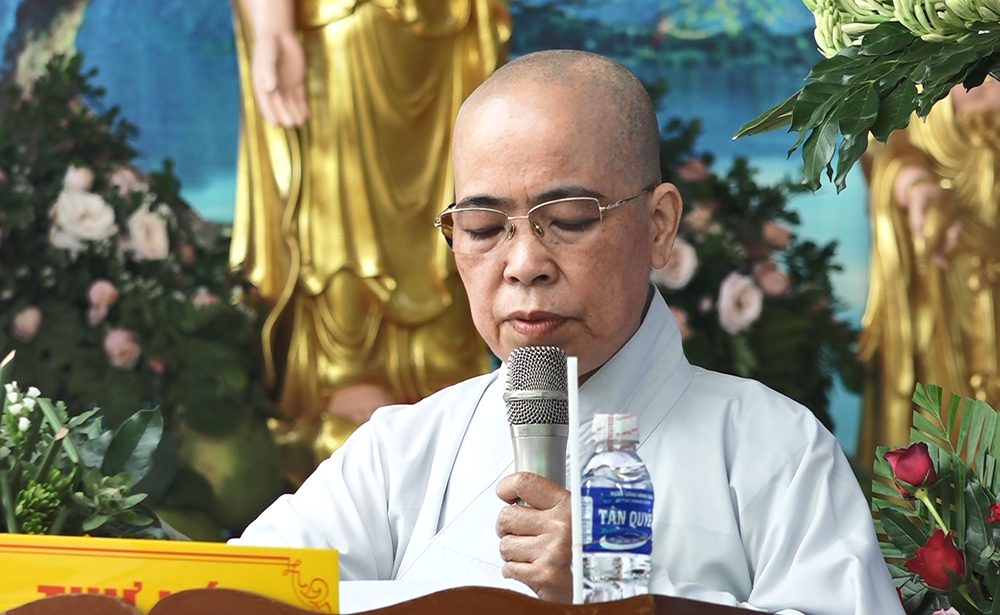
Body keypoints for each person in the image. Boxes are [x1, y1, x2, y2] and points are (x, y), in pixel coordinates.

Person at [234, 50, 902, 613]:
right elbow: (233, 594)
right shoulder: (397, 453)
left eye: (571, 219)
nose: (524, 263)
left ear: (659, 226)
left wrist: (622, 593)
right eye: (484, 229)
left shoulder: (775, 450)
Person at [229, 0, 509, 476]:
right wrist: (273, 25)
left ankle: (447, 366)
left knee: (455, 186)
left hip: (450, 22)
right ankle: (346, 367)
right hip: (341, 18)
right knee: (342, 204)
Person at [858, 78, 1000, 468]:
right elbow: (884, 148)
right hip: (944, 277)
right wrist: (917, 187)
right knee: (950, 430)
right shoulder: (914, 65)